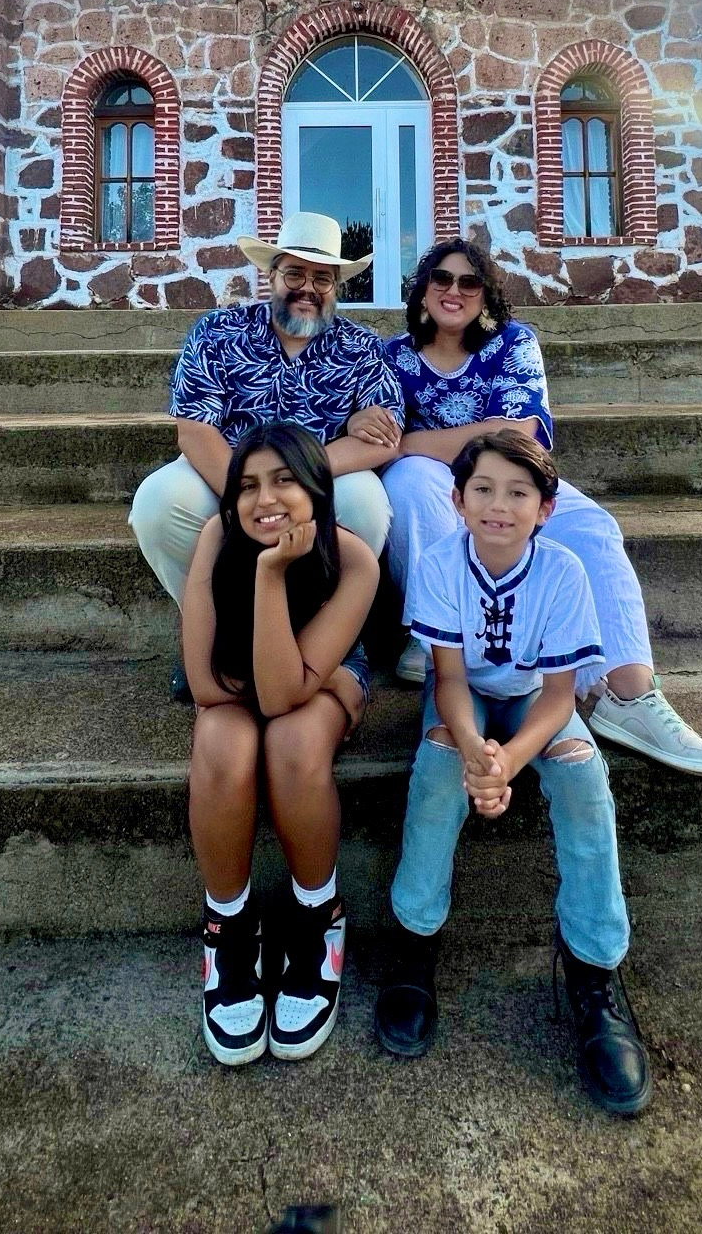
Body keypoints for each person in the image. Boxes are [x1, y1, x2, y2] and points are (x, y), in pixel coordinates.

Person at [349, 237, 702, 778]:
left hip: (514, 476)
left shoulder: (512, 342)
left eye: (468, 282)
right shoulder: (390, 356)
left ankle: (628, 694)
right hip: (441, 486)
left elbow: (524, 434)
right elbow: (385, 441)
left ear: (485, 294)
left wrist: (418, 440)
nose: (453, 291)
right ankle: (434, 635)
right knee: (412, 481)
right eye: (440, 278)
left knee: (593, 527)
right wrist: (453, 438)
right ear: (422, 289)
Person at [373, 428, 651, 1117]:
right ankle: (414, 941)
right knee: (438, 767)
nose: (500, 506)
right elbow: (448, 677)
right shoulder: (440, 563)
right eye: (484, 491)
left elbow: (558, 696)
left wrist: (507, 767)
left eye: (518, 492)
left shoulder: (561, 571)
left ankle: (593, 966)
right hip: (462, 699)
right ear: (458, 499)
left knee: (584, 773)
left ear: (545, 507)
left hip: (531, 700)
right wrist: (473, 753)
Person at [129, 211, 404, 695]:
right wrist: (247, 498)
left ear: (336, 285)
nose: (307, 288)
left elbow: (383, 438)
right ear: (270, 275)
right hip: (228, 471)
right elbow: (195, 432)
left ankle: (325, 636)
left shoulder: (362, 348)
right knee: (158, 503)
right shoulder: (217, 332)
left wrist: (297, 479)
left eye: (322, 277)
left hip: (320, 481)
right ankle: (213, 637)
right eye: (294, 273)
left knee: (364, 502)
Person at [185, 421, 379, 1065]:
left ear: (318, 491)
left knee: (292, 742)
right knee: (221, 741)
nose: (263, 500)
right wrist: (261, 574)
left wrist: (273, 577)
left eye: (284, 481)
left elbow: (285, 697)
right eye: (246, 486)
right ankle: (228, 927)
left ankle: (316, 916)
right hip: (234, 675)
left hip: (320, 674)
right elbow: (207, 683)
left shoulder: (353, 559)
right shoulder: (218, 537)